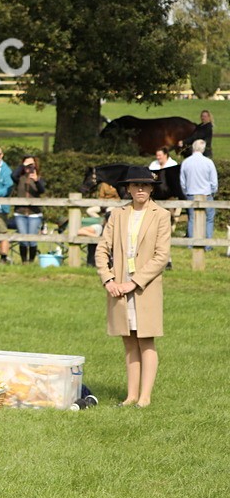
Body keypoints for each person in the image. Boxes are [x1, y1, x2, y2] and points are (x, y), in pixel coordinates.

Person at [96, 166, 170, 408]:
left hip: (144, 287)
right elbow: (102, 249)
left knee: (145, 339)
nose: (141, 188)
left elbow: (161, 257)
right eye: (136, 185)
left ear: (151, 189)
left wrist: (134, 282)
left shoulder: (161, 215)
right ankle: (131, 396)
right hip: (118, 285)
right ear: (127, 188)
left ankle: (145, 397)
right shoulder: (117, 215)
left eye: (145, 185)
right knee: (128, 340)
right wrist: (108, 280)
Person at [180, 140, 218, 246]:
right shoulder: (208, 162)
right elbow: (214, 181)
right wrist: (213, 192)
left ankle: (191, 244)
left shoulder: (186, 162)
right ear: (203, 149)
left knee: (192, 219)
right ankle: (208, 244)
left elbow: (183, 182)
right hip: (206, 194)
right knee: (209, 219)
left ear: (193, 148)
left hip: (191, 194)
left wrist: (186, 192)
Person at [12, 156, 46, 263]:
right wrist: (23, 165)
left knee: (32, 240)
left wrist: (36, 181)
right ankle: (24, 261)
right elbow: (13, 175)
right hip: (20, 212)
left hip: (34, 213)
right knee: (23, 239)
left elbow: (42, 190)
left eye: (31, 165)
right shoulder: (20, 178)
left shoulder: (39, 178)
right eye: (27, 165)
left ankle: (31, 260)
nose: (29, 167)